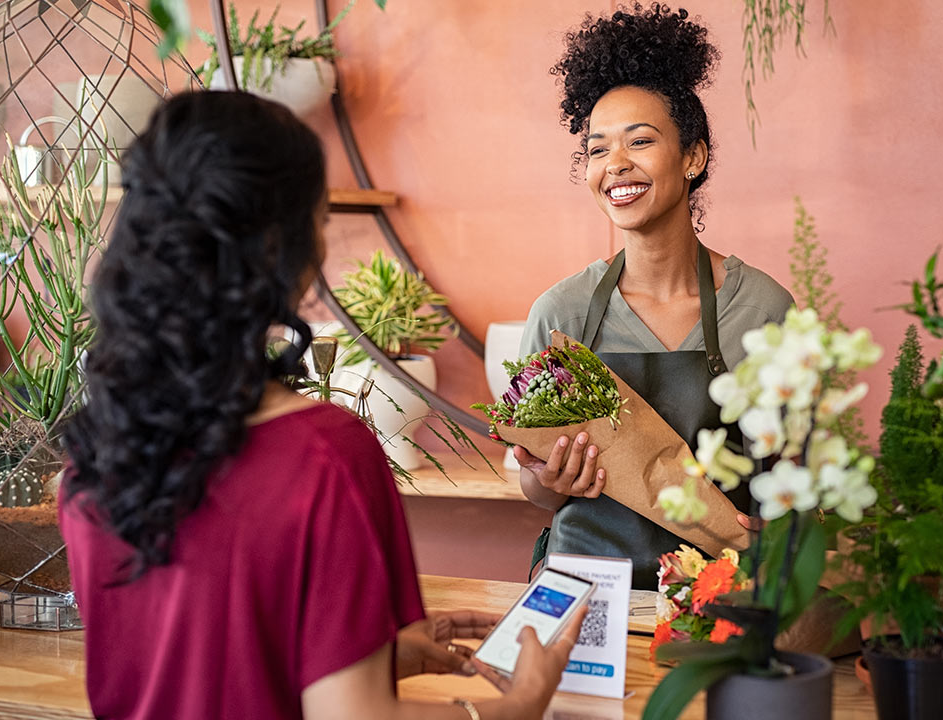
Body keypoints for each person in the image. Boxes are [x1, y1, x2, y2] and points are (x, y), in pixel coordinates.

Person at [60, 91, 582, 720]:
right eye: (320, 218)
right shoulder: (324, 457)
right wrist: (518, 706)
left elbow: (194, 656)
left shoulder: (97, 452)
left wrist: (367, 653)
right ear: (284, 251)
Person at [518, 4, 795, 590]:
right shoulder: (561, 314)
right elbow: (535, 491)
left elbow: (794, 480)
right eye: (596, 150)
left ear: (692, 157)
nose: (615, 165)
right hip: (587, 593)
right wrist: (551, 477)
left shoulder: (763, 311)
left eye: (639, 142)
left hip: (718, 600)